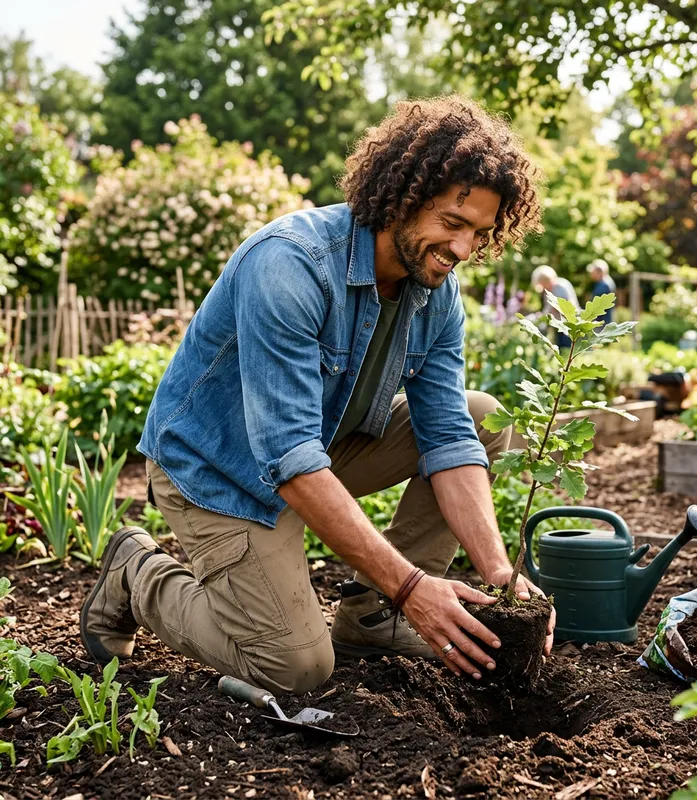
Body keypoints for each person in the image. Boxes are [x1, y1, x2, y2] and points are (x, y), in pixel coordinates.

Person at [80, 96, 556, 696]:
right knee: (296, 667)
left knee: (480, 416)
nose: (462, 249)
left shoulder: (436, 290)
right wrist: (411, 587)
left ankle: (372, 619)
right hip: (221, 470)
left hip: (319, 448)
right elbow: (289, 457)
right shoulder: (291, 264)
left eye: (479, 233)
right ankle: (136, 573)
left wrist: (500, 573)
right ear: (402, 198)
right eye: (452, 223)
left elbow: (448, 437)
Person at [531, 265, 580, 349]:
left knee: (566, 349)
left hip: (568, 325)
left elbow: (564, 308)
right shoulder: (551, 289)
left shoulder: (560, 287)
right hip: (560, 325)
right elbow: (548, 309)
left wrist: (545, 315)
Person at [586, 259, 616, 326]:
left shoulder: (604, 285)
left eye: (592, 271)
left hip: (602, 324)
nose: (591, 274)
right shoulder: (607, 282)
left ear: (599, 271)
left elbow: (595, 306)